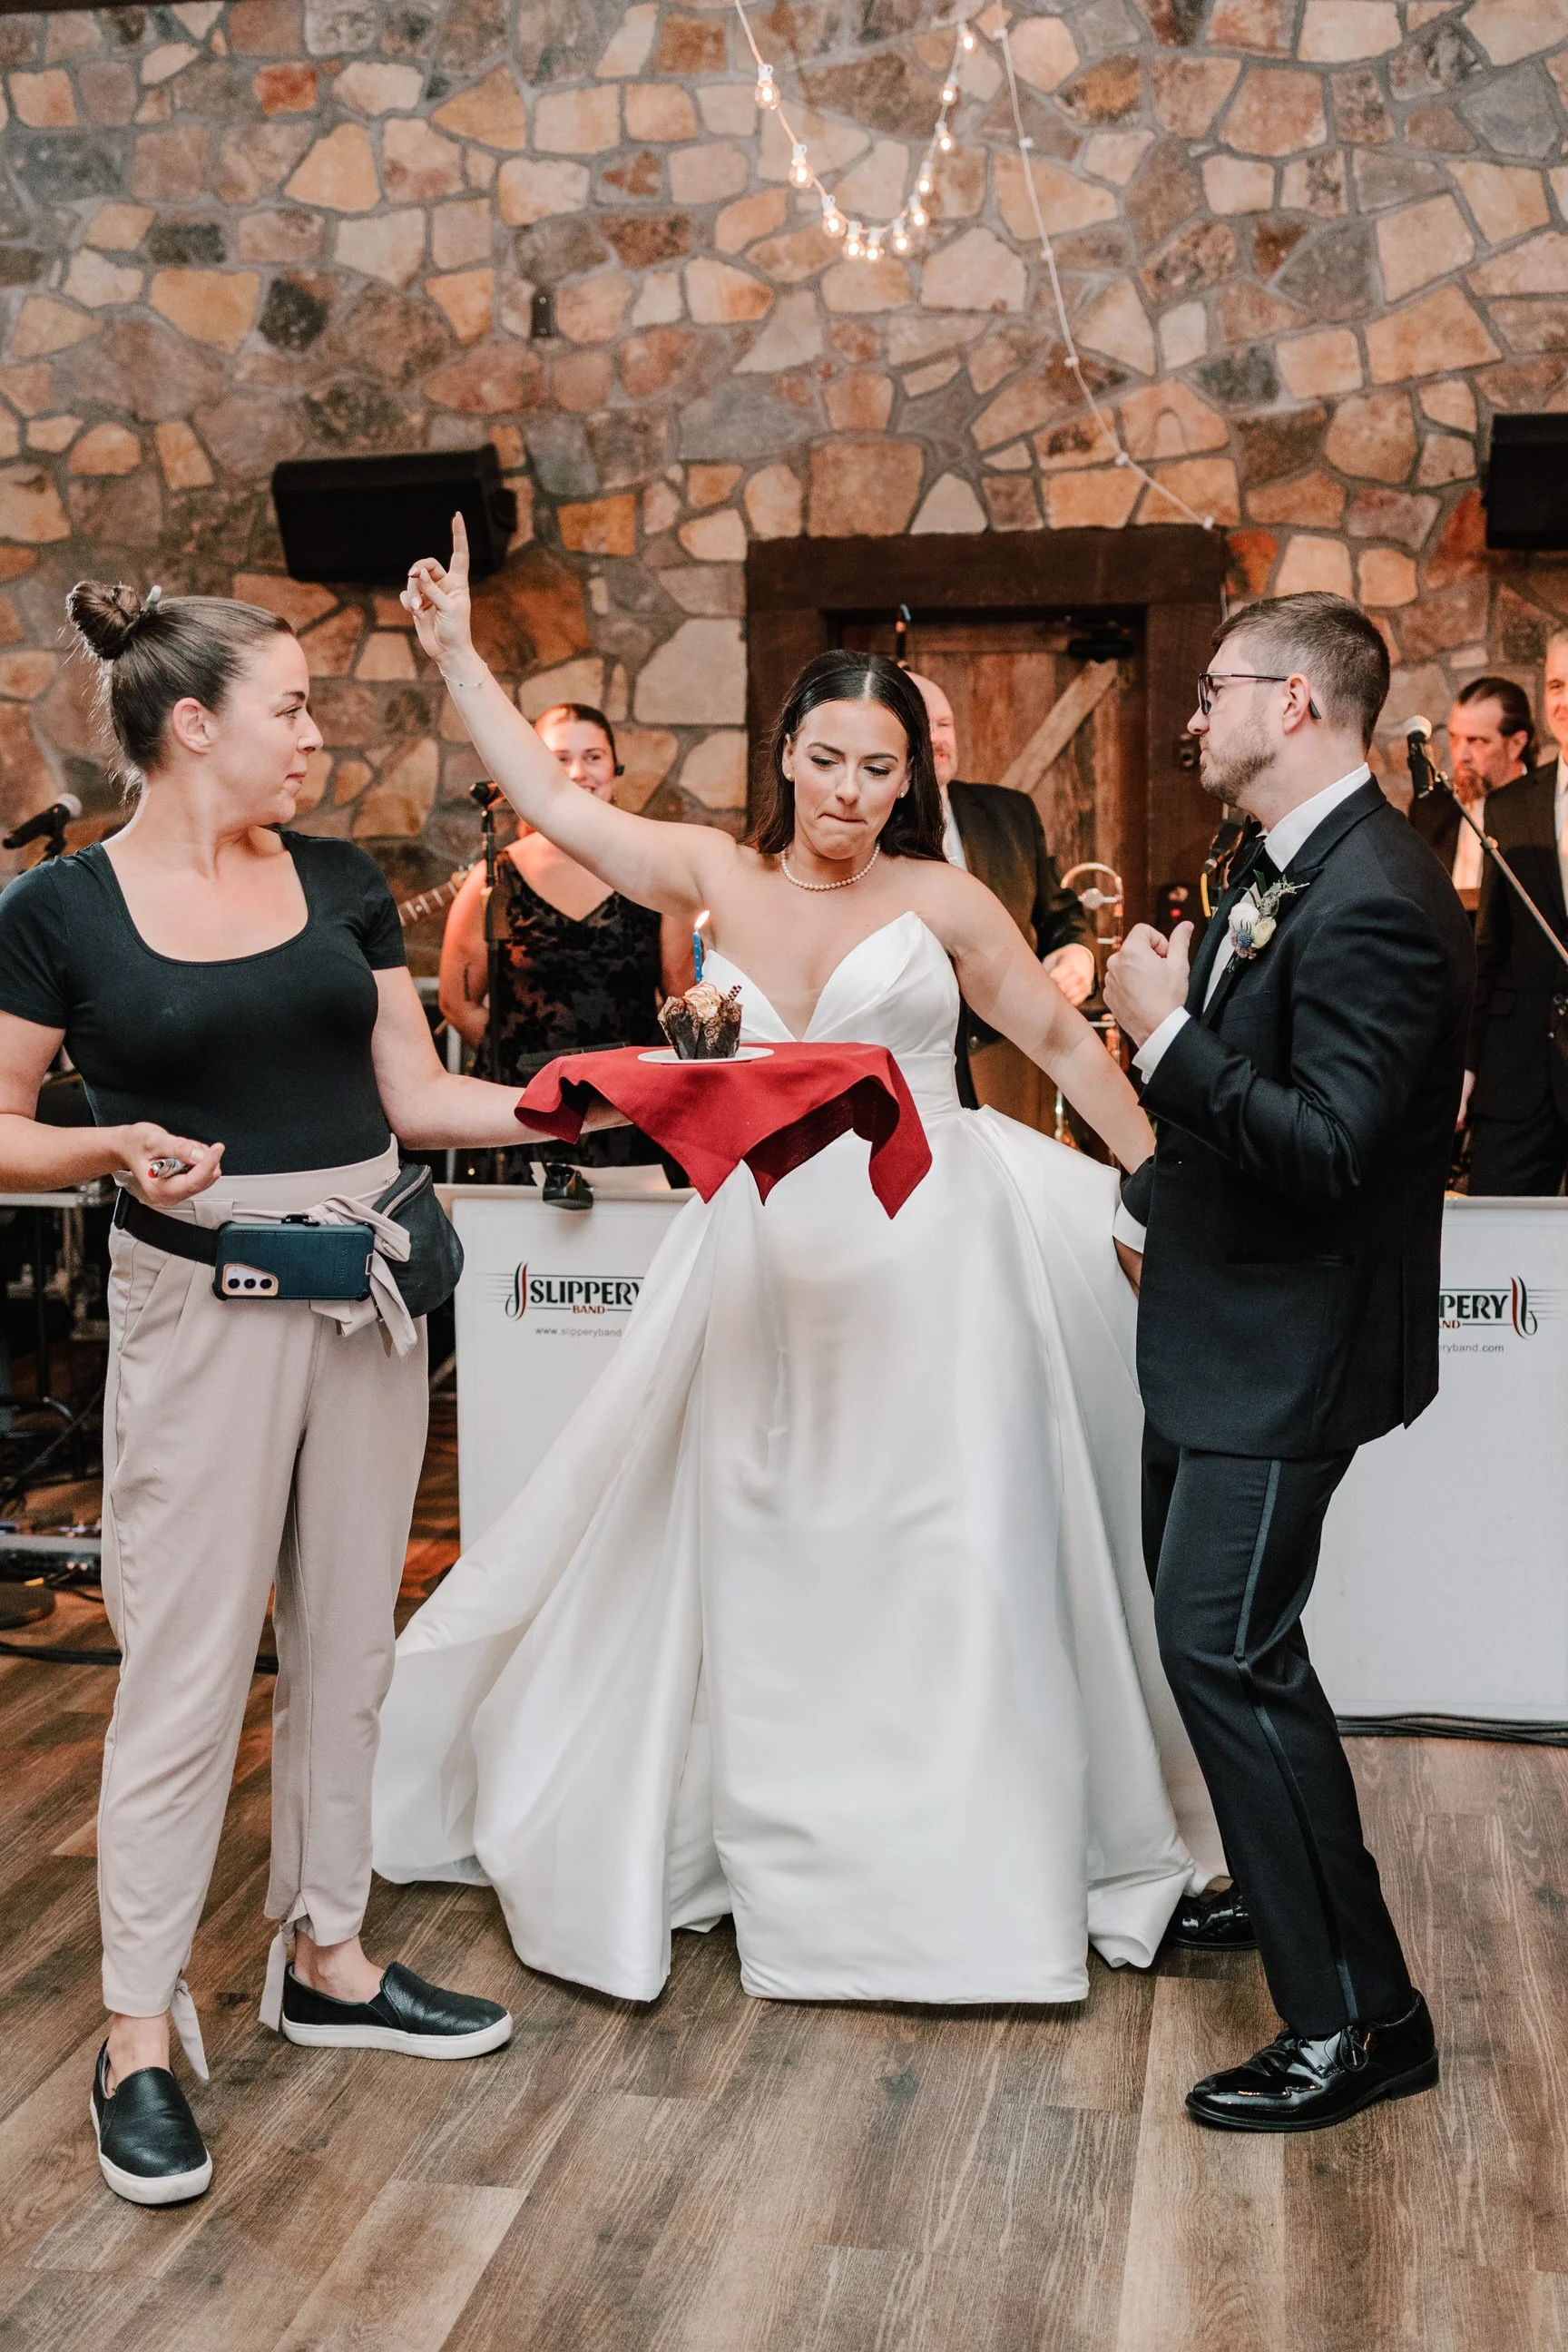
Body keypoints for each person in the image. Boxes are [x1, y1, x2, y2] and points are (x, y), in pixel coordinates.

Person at [372, 516, 1224, 2007]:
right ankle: (783, 1846)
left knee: (948, 1544)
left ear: (912, 779)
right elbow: (555, 817)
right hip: (765, 1253)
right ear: (785, 754)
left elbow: (1045, 1038)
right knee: (766, 1539)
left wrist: (1161, 1174)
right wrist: (456, 660)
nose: (848, 791)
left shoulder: (943, 899)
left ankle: (962, 1862)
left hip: (933, 1247)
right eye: (826, 758)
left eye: (878, 768)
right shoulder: (706, 868)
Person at [0, 582, 609, 2207]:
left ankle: (324, 1953)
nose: (318, 736)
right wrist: (109, 1142)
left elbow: (412, 1096)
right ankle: (138, 2034)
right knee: (186, 1669)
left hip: (372, 1290)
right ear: (191, 725)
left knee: (352, 1640)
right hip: (199, 1301)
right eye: (292, 709)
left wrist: (586, 1108)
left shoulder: (344, 883)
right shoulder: (60, 909)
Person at [1105, 590, 1475, 2132]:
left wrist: (1160, 1039)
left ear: (1295, 707)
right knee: (1238, 1648)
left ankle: (1358, 2019)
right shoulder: (1279, 860)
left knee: (1223, 1650)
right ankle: (1278, 1885)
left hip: (1286, 1344)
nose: (1194, 714)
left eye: (1212, 691)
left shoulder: (1379, 889)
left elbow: (1327, 1149)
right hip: (1216, 1315)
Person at [438, 701, 691, 1191]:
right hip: (526, 1110)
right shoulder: (495, 876)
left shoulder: (657, 870)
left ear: (614, 769)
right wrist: (522, 1060)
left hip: (628, 1110)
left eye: (593, 757)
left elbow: (682, 997)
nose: (579, 773)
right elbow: (457, 1000)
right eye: (559, 759)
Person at [906, 670, 1097, 1117]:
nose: (936, 737)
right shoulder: (860, 833)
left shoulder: (1011, 813)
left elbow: (1061, 917)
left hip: (1008, 1070)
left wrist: (1078, 955)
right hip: (907, 1083)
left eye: (945, 724)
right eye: (920, 723)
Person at [1461, 636, 1568, 1193]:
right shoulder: (1509, 804)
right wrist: (1468, 1063)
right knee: (1495, 1245)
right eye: (1555, 685)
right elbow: (1490, 948)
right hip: (1517, 1069)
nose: (1564, 701)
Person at [1409, 674, 1534, 901]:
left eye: (1477, 741)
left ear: (1516, 744)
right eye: (1454, 738)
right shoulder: (1431, 806)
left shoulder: (1542, 805)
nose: (1461, 755)